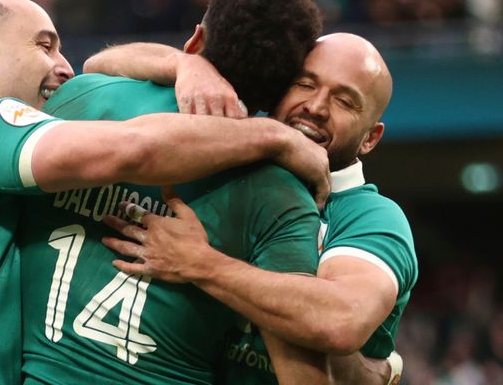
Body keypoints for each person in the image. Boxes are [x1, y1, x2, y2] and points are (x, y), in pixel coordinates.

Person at [0, 0, 331, 384]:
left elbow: (99, 71)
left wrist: (185, 63)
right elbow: (135, 150)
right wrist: (274, 136)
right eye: (44, 46)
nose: (64, 67)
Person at [16, 0, 332, 384]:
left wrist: (181, 62)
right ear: (282, 90)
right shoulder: (284, 195)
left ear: (197, 39)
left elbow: (97, 63)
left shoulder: (81, 94)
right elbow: (301, 373)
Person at [102, 33, 419, 384]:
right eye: (304, 84)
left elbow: (340, 320)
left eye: (344, 101)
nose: (316, 107)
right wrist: (185, 65)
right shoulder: (230, 156)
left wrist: (200, 263)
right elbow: (100, 64)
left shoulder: (370, 218)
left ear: (370, 138)